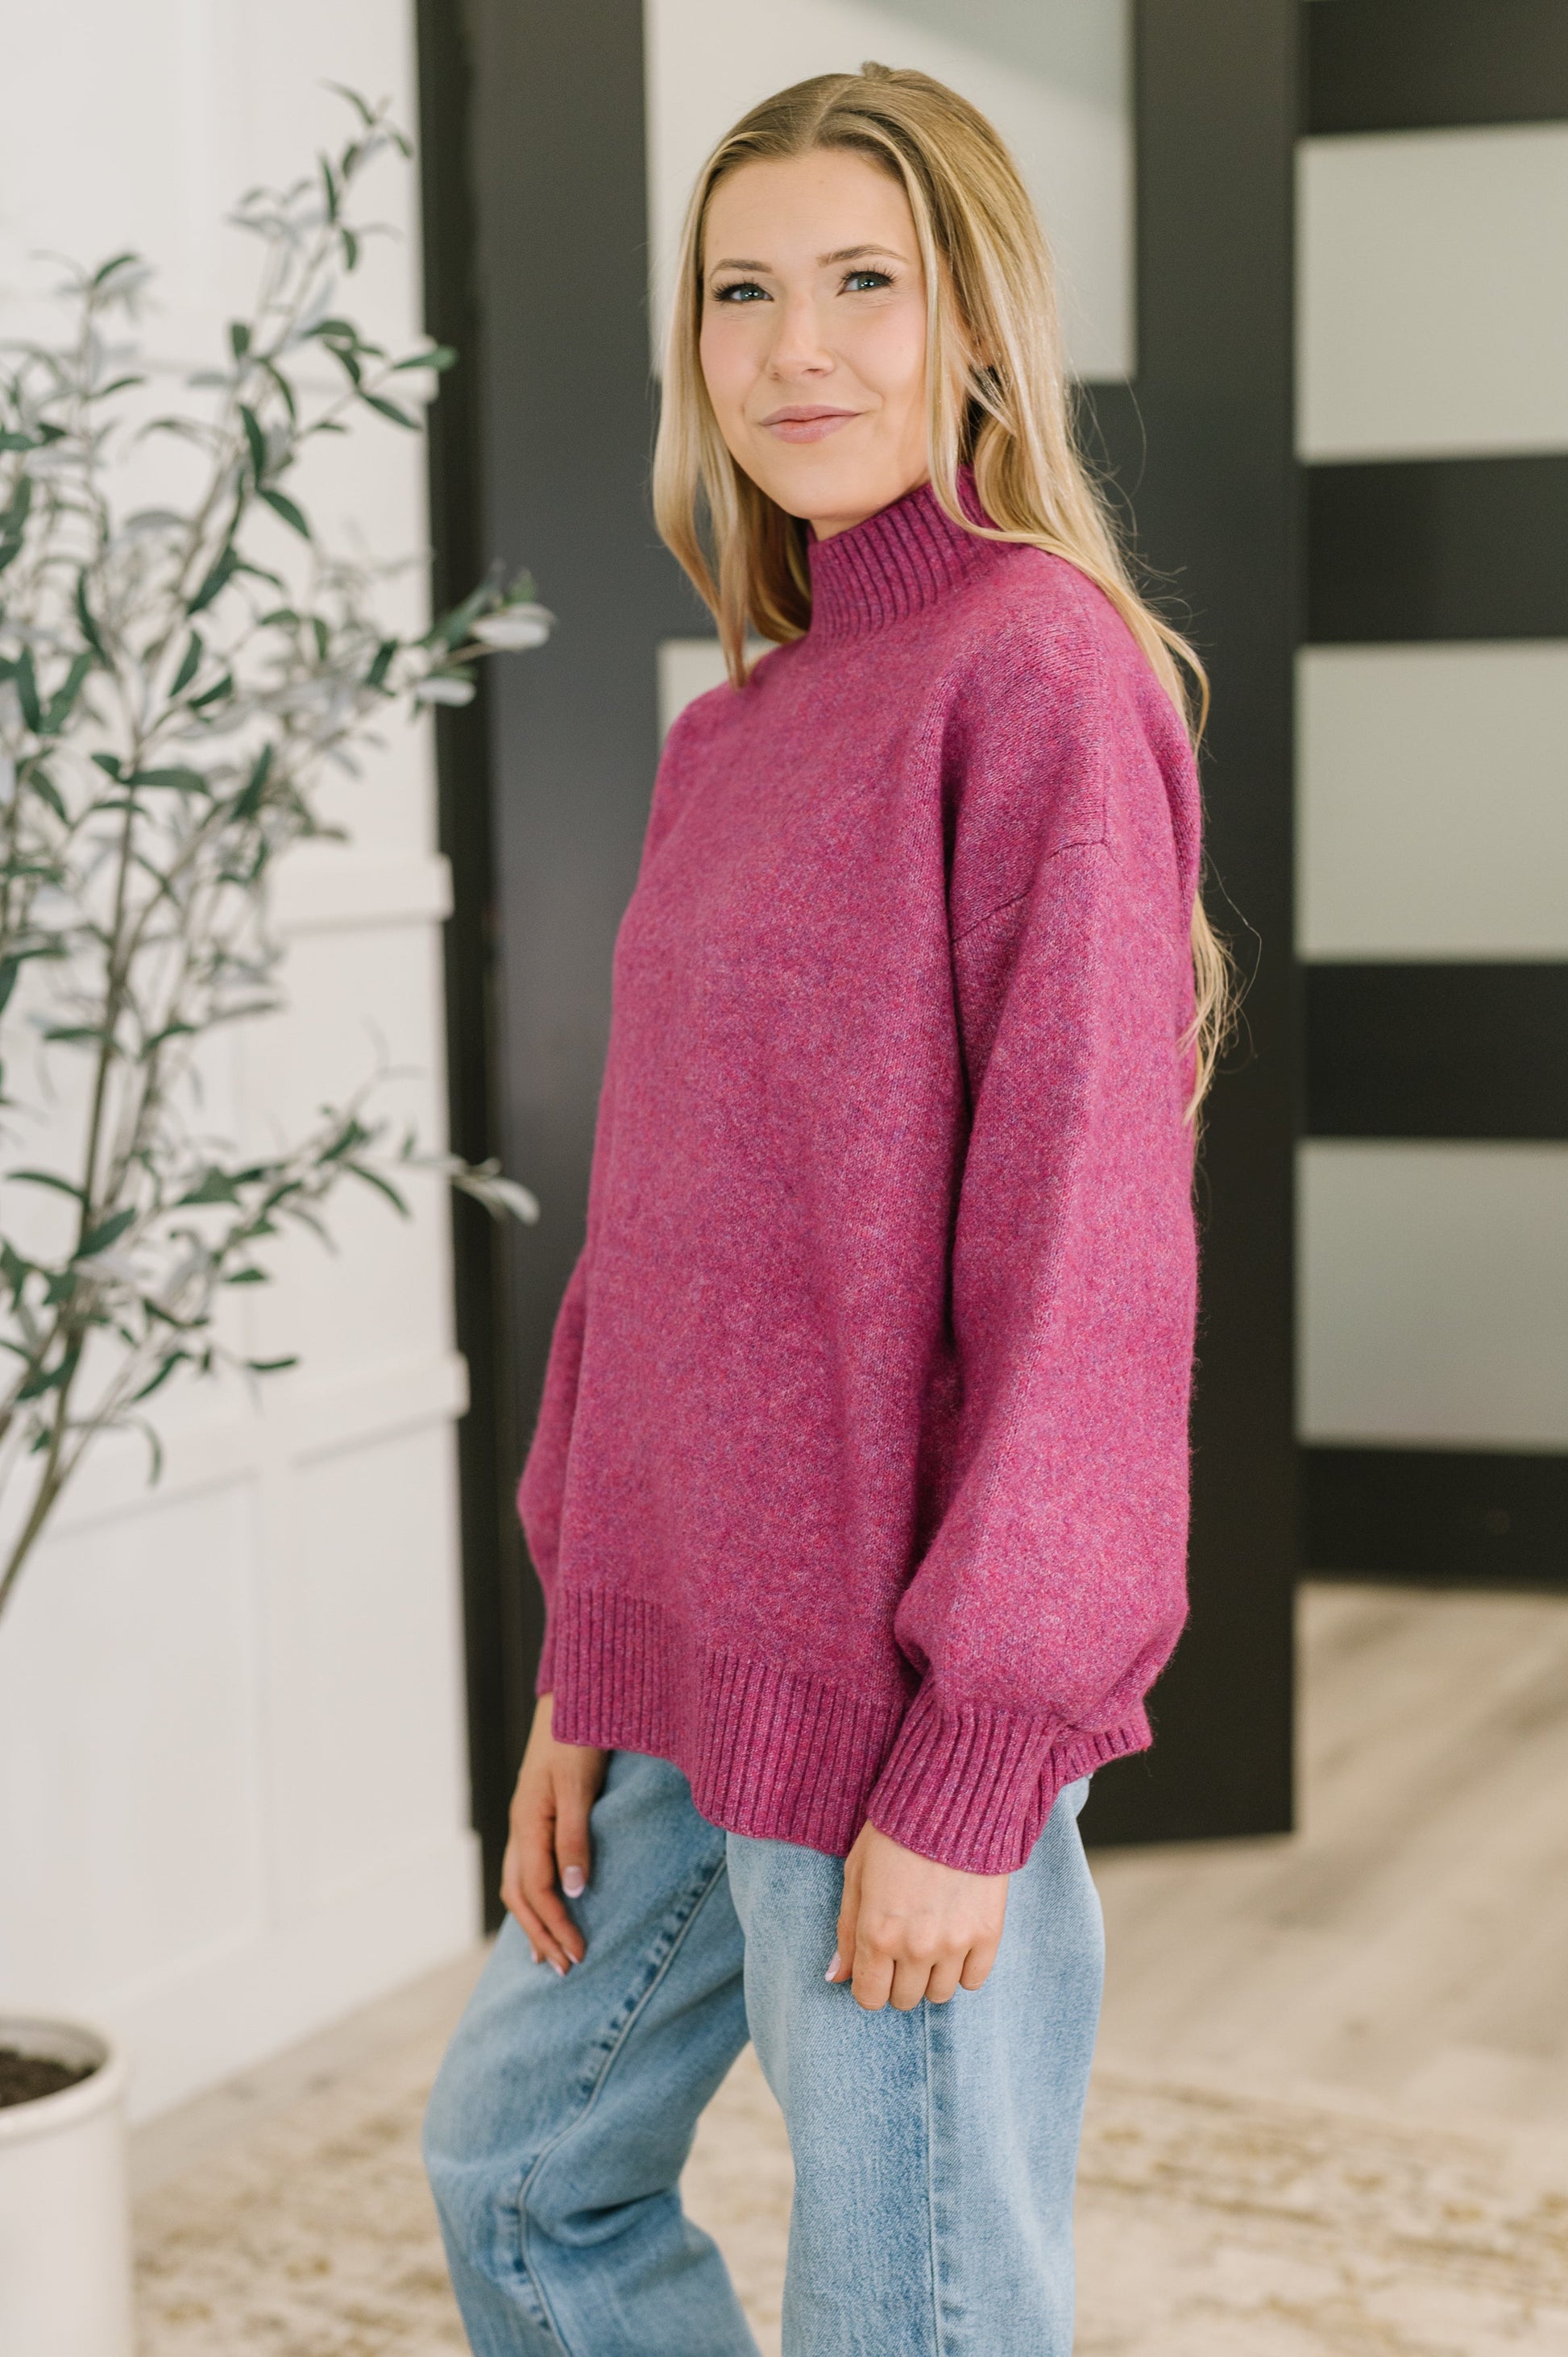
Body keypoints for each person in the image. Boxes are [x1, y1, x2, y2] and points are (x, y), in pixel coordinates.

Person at [424, 61, 1229, 2357]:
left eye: (864, 283)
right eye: (739, 292)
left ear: (976, 325)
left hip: (896, 1707)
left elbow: (1087, 1263)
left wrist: (980, 1761)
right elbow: (654, 1239)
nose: (795, 350)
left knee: (914, 2321)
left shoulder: (1038, 671)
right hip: (680, 1682)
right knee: (515, 2179)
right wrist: (586, 1659)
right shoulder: (737, 729)